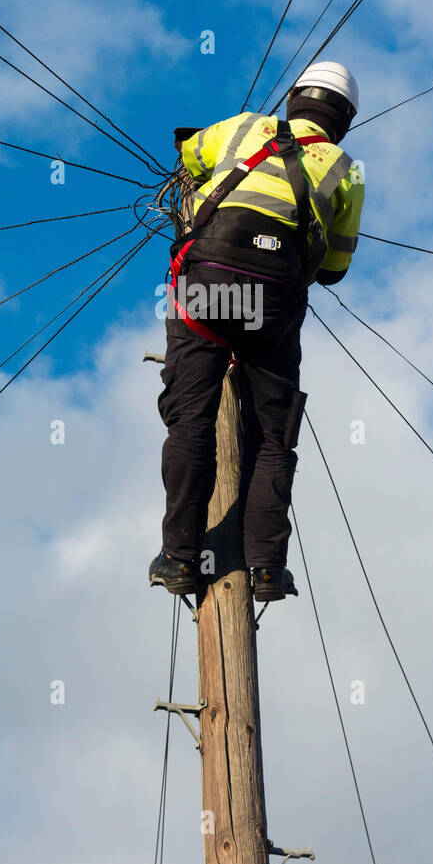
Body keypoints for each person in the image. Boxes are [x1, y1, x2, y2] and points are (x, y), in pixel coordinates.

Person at [149, 61, 364, 602]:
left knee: (190, 420)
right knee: (272, 437)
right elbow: (335, 266)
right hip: (273, 305)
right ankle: (266, 567)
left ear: (293, 100)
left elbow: (189, 154)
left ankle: (178, 559)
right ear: (342, 120)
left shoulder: (244, 127)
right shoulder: (346, 169)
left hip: (206, 289)